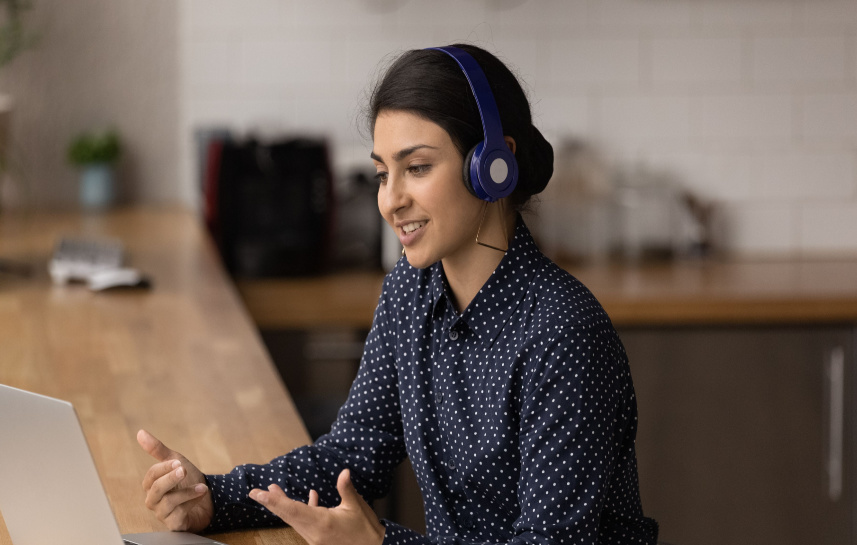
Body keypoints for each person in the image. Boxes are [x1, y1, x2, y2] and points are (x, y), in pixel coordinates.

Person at [137, 43, 659, 545]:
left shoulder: (564, 333)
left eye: (418, 167)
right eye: (383, 173)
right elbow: (354, 453)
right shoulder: (411, 290)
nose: (391, 200)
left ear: (493, 166)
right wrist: (214, 496)